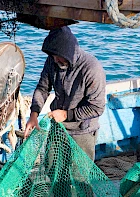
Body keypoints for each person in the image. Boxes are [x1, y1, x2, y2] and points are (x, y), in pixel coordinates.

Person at [24, 26, 107, 161]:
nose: (55, 60)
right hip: (58, 127)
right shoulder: (53, 60)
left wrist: (66, 114)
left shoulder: (92, 69)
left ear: (68, 52)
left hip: (82, 131)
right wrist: (34, 114)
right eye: (53, 56)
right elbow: (42, 88)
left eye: (58, 57)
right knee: (52, 167)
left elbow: (97, 108)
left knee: (79, 177)